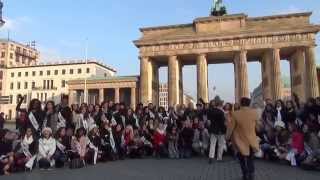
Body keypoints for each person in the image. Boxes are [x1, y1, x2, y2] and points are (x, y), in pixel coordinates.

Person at [227, 97, 260, 180]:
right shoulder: (255, 113)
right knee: (250, 159)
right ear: (249, 103)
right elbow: (258, 126)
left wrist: (227, 137)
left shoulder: (236, 114)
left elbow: (231, 128)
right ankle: (251, 174)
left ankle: (245, 174)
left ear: (241, 104)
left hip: (240, 140)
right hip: (251, 139)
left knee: (241, 159)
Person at [207, 97, 227, 163]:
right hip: (220, 130)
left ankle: (211, 157)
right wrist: (224, 130)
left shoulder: (210, 110)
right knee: (220, 145)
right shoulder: (221, 112)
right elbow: (223, 122)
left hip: (213, 129)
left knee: (212, 144)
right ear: (220, 105)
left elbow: (209, 121)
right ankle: (219, 158)